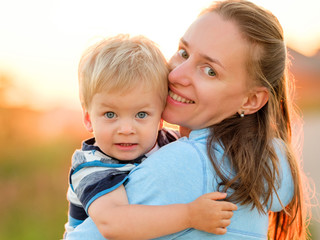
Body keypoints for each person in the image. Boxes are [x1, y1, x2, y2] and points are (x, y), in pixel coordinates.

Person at [66, 0, 310, 239]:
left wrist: (189, 215)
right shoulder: (251, 161)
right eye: (184, 53)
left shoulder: (187, 160)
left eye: (210, 71)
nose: (176, 74)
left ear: (251, 100)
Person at [64, 34, 237, 239]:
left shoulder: (167, 142)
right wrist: (190, 215)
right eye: (110, 114)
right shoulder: (92, 166)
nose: (126, 129)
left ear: (161, 117)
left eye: (141, 114)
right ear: (88, 119)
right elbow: (113, 224)